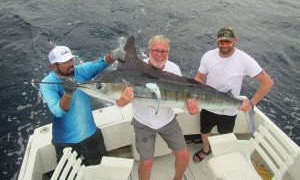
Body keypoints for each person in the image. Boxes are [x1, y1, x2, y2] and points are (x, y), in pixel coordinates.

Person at [116, 35, 200, 180]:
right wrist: (123, 101)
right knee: (146, 162)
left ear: (168, 53)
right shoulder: (134, 69)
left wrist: (191, 110)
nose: (159, 55)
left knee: (184, 155)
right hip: (143, 123)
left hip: (167, 120)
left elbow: (182, 97)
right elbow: (118, 102)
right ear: (148, 50)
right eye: (156, 50)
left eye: (163, 51)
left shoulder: (174, 69)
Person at [39, 44, 134, 165]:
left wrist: (114, 55)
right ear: (53, 66)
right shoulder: (46, 83)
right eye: (65, 62)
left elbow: (102, 62)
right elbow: (57, 111)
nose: (70, 64)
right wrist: (68, 94)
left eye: (70, 59)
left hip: (90, 134)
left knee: (101, 171)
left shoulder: (81, 71)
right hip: (64, 141)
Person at [192, 27, 274, 163]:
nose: (224, 45)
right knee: (204, 131)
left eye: (228, 41)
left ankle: (223, 155)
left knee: (225, 135)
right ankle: (206, 150)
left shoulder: (245, 59)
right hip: (207, 105)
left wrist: (251, 102)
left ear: (235, 40)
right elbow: (199, 78)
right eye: (221, 42)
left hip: (229, 109)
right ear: (217, 42)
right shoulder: (208, 56)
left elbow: (268, 82)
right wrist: (192, 94)